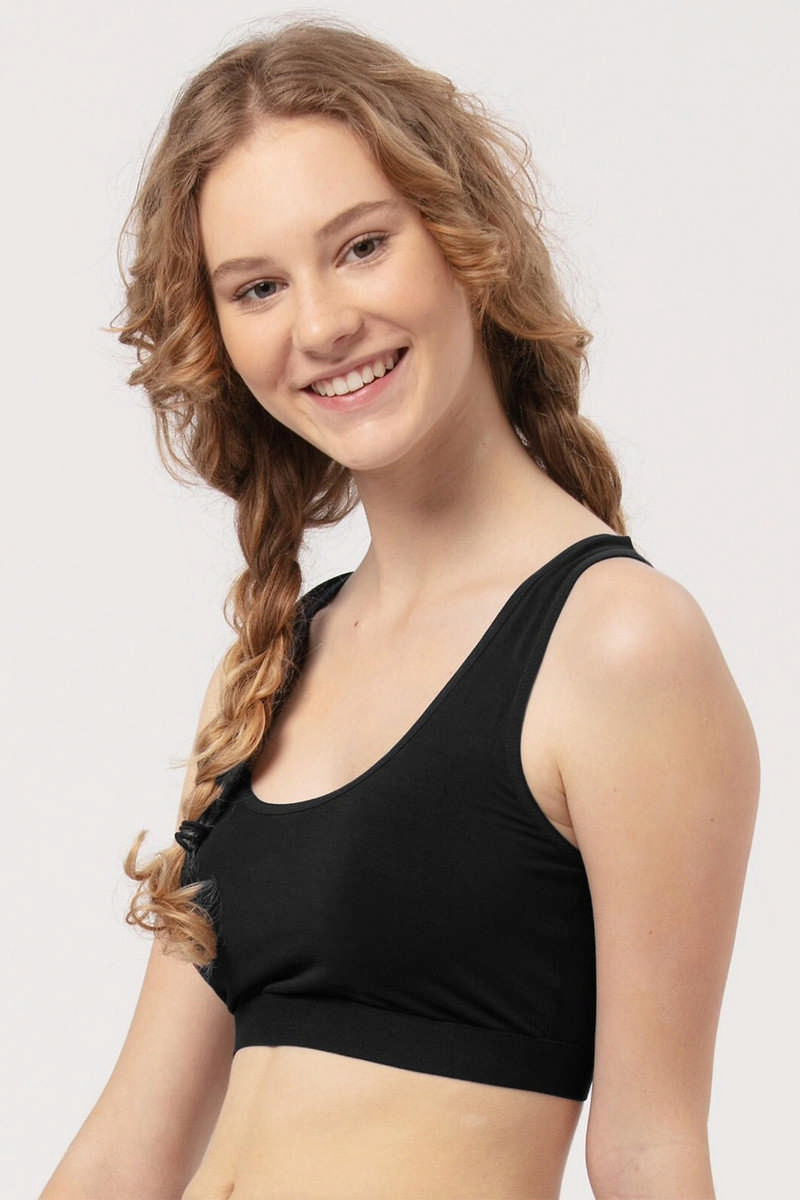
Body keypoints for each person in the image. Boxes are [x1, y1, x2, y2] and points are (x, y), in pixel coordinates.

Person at [39, 18, 759, 1200]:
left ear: (463, 237)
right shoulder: (276, 663)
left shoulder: (617, 645)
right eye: (258, 287)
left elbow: (647, 1145)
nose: (320, 325)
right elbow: (128, 1147)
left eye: (361, 246)